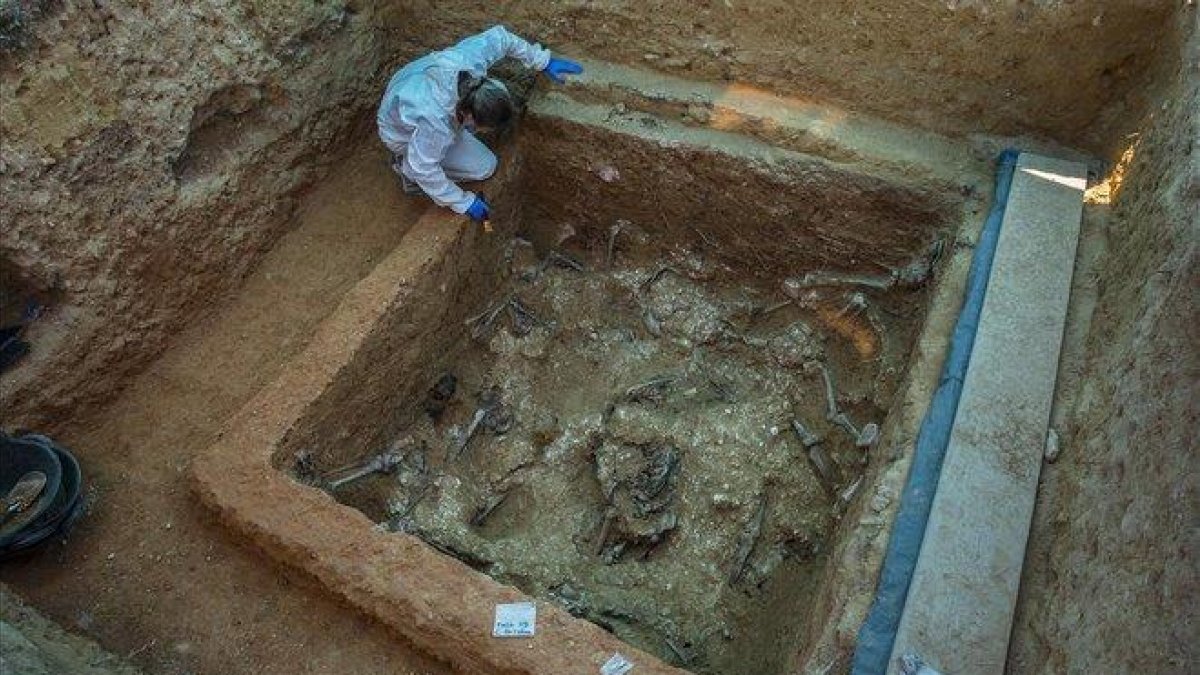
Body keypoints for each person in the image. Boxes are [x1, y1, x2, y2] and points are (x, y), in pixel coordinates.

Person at [376, 26, 583, 223]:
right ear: (467, 115)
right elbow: (425, 168)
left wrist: (542, 61)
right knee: (484, 167)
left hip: (409, 88)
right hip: (399, 129)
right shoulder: (435, 124)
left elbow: (501, 38)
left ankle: (422, 155)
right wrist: (463, 202)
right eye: (482, 126)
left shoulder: (470, 64)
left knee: (467, 152)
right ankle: (405, 168)